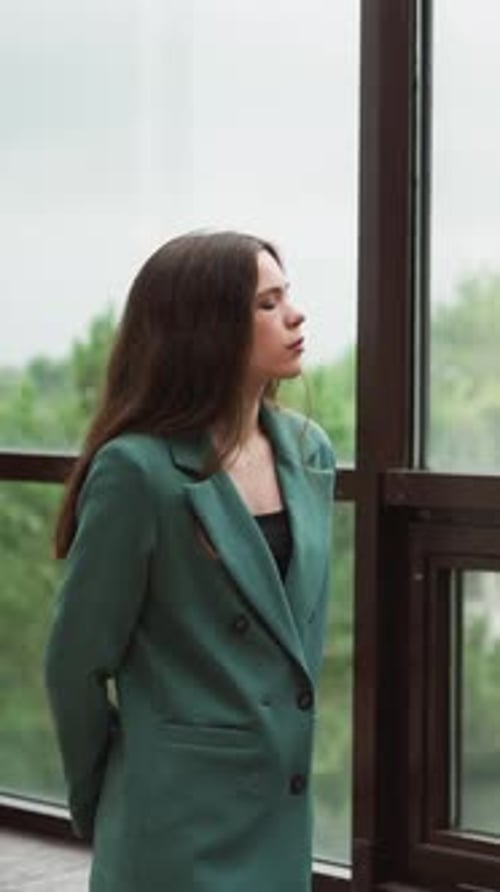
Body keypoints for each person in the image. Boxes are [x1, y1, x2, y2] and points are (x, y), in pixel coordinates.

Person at [45, 230, 335, 892]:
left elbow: (293, 635)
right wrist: (108, 797)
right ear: (206, 328)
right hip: (174, 823)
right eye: (267, 303)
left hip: (279, 810)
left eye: (286, 295)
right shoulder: (138, 470)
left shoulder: (310, 451)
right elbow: (76, 661)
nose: (295, 315)